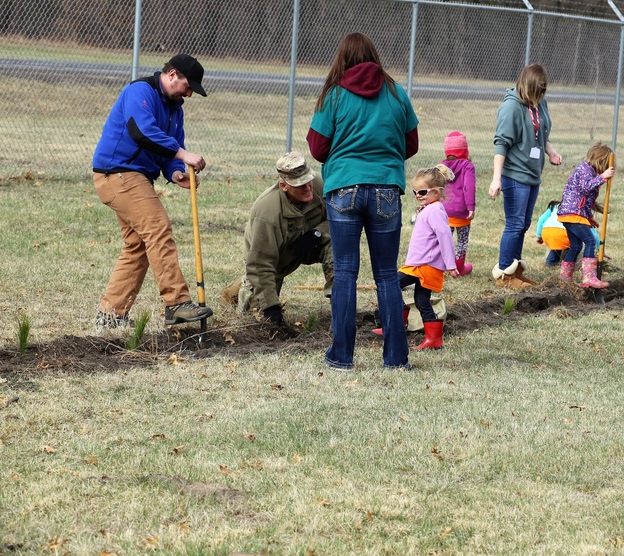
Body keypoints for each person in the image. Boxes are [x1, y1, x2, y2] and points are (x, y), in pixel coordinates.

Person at [307, 32, 419, 371]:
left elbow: (317, 147)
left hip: (343, 189)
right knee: (386, 274)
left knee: (344, 272)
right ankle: (396, 359)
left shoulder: (334, 95)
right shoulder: (397, 93)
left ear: (342, 59)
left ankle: (342, 355)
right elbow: (410, 143)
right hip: (386, 189)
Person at [92, 54, 214, 329]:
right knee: (158, 229)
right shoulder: (140, 92)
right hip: (117, 173)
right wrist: (184, 154)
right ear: (172, 74)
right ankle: (177, 304)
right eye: (188, 85)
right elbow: (141, 132)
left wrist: (175, 172)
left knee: (138, 246)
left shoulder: (175, 109)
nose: (190, 93)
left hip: (136, 177)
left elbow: (168, 148)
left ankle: (111, 315)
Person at [220, 152, 333, 325]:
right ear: (284, 186)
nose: (307, 187)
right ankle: (236, 291)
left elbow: (339, 221)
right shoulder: (267, 212)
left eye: (308, 180)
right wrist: (271, 308)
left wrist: (317, 234)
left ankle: (341, 302)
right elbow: (260, 264)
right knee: (257, 321)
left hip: (309, 243)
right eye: (300, 184)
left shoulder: (319, 185)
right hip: (270, 257)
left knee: (338, 244)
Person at [488, 63, 562, 287]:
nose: (540, 96)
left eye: (543, 92)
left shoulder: (540, 103)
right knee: (515, 223)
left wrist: (551, 151)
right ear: (527, 86)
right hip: (514, 175)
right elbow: (501, 144)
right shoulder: (511, 107)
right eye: (537, 91)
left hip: (532, 175)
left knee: (523, 225)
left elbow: (539, 134)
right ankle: (504, 273)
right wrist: (496, 178)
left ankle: (515, 269)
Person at [392, 165, 457, 351]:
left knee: (391, 284)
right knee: (421, 301)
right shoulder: (428, 208)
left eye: (422, 191)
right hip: (419, 264)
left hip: (425, 265)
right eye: (415, 192)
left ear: (436, 192)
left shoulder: (435, 210)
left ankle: (395, 325)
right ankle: (433, 340)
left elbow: (445, 237)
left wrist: (451, 264)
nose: (418, 195)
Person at [556, 143, 615, 288]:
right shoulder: (585, 169)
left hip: (572, 214)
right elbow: (585, 187)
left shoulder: (587, 171)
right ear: (600, 161)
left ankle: (565, 279)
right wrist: (603, 177)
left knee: (575, 246)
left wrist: (590, 218)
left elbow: (585, 200)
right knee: (589, 241)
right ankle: (589, 278)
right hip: (573, 214)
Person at [441, 131, 476, 276]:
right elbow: (469, 187)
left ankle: (441, 267)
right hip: (462, 212)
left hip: (444, 211)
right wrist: (471, 207)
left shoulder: (441, 166)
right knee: (461, 242)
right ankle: (458, 269)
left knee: (444, 240)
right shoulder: (467, 166)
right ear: (465, 150)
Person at [535, 200, 601, 267]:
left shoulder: (555, 206)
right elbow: (592, 234)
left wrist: (539, 236)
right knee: (575, 245)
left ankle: (550, 264)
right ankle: (569, 265)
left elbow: (541, 219)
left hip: (547, 231)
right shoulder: (580, 209)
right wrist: (599, 249)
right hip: (564, 233)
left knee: (556, 247)